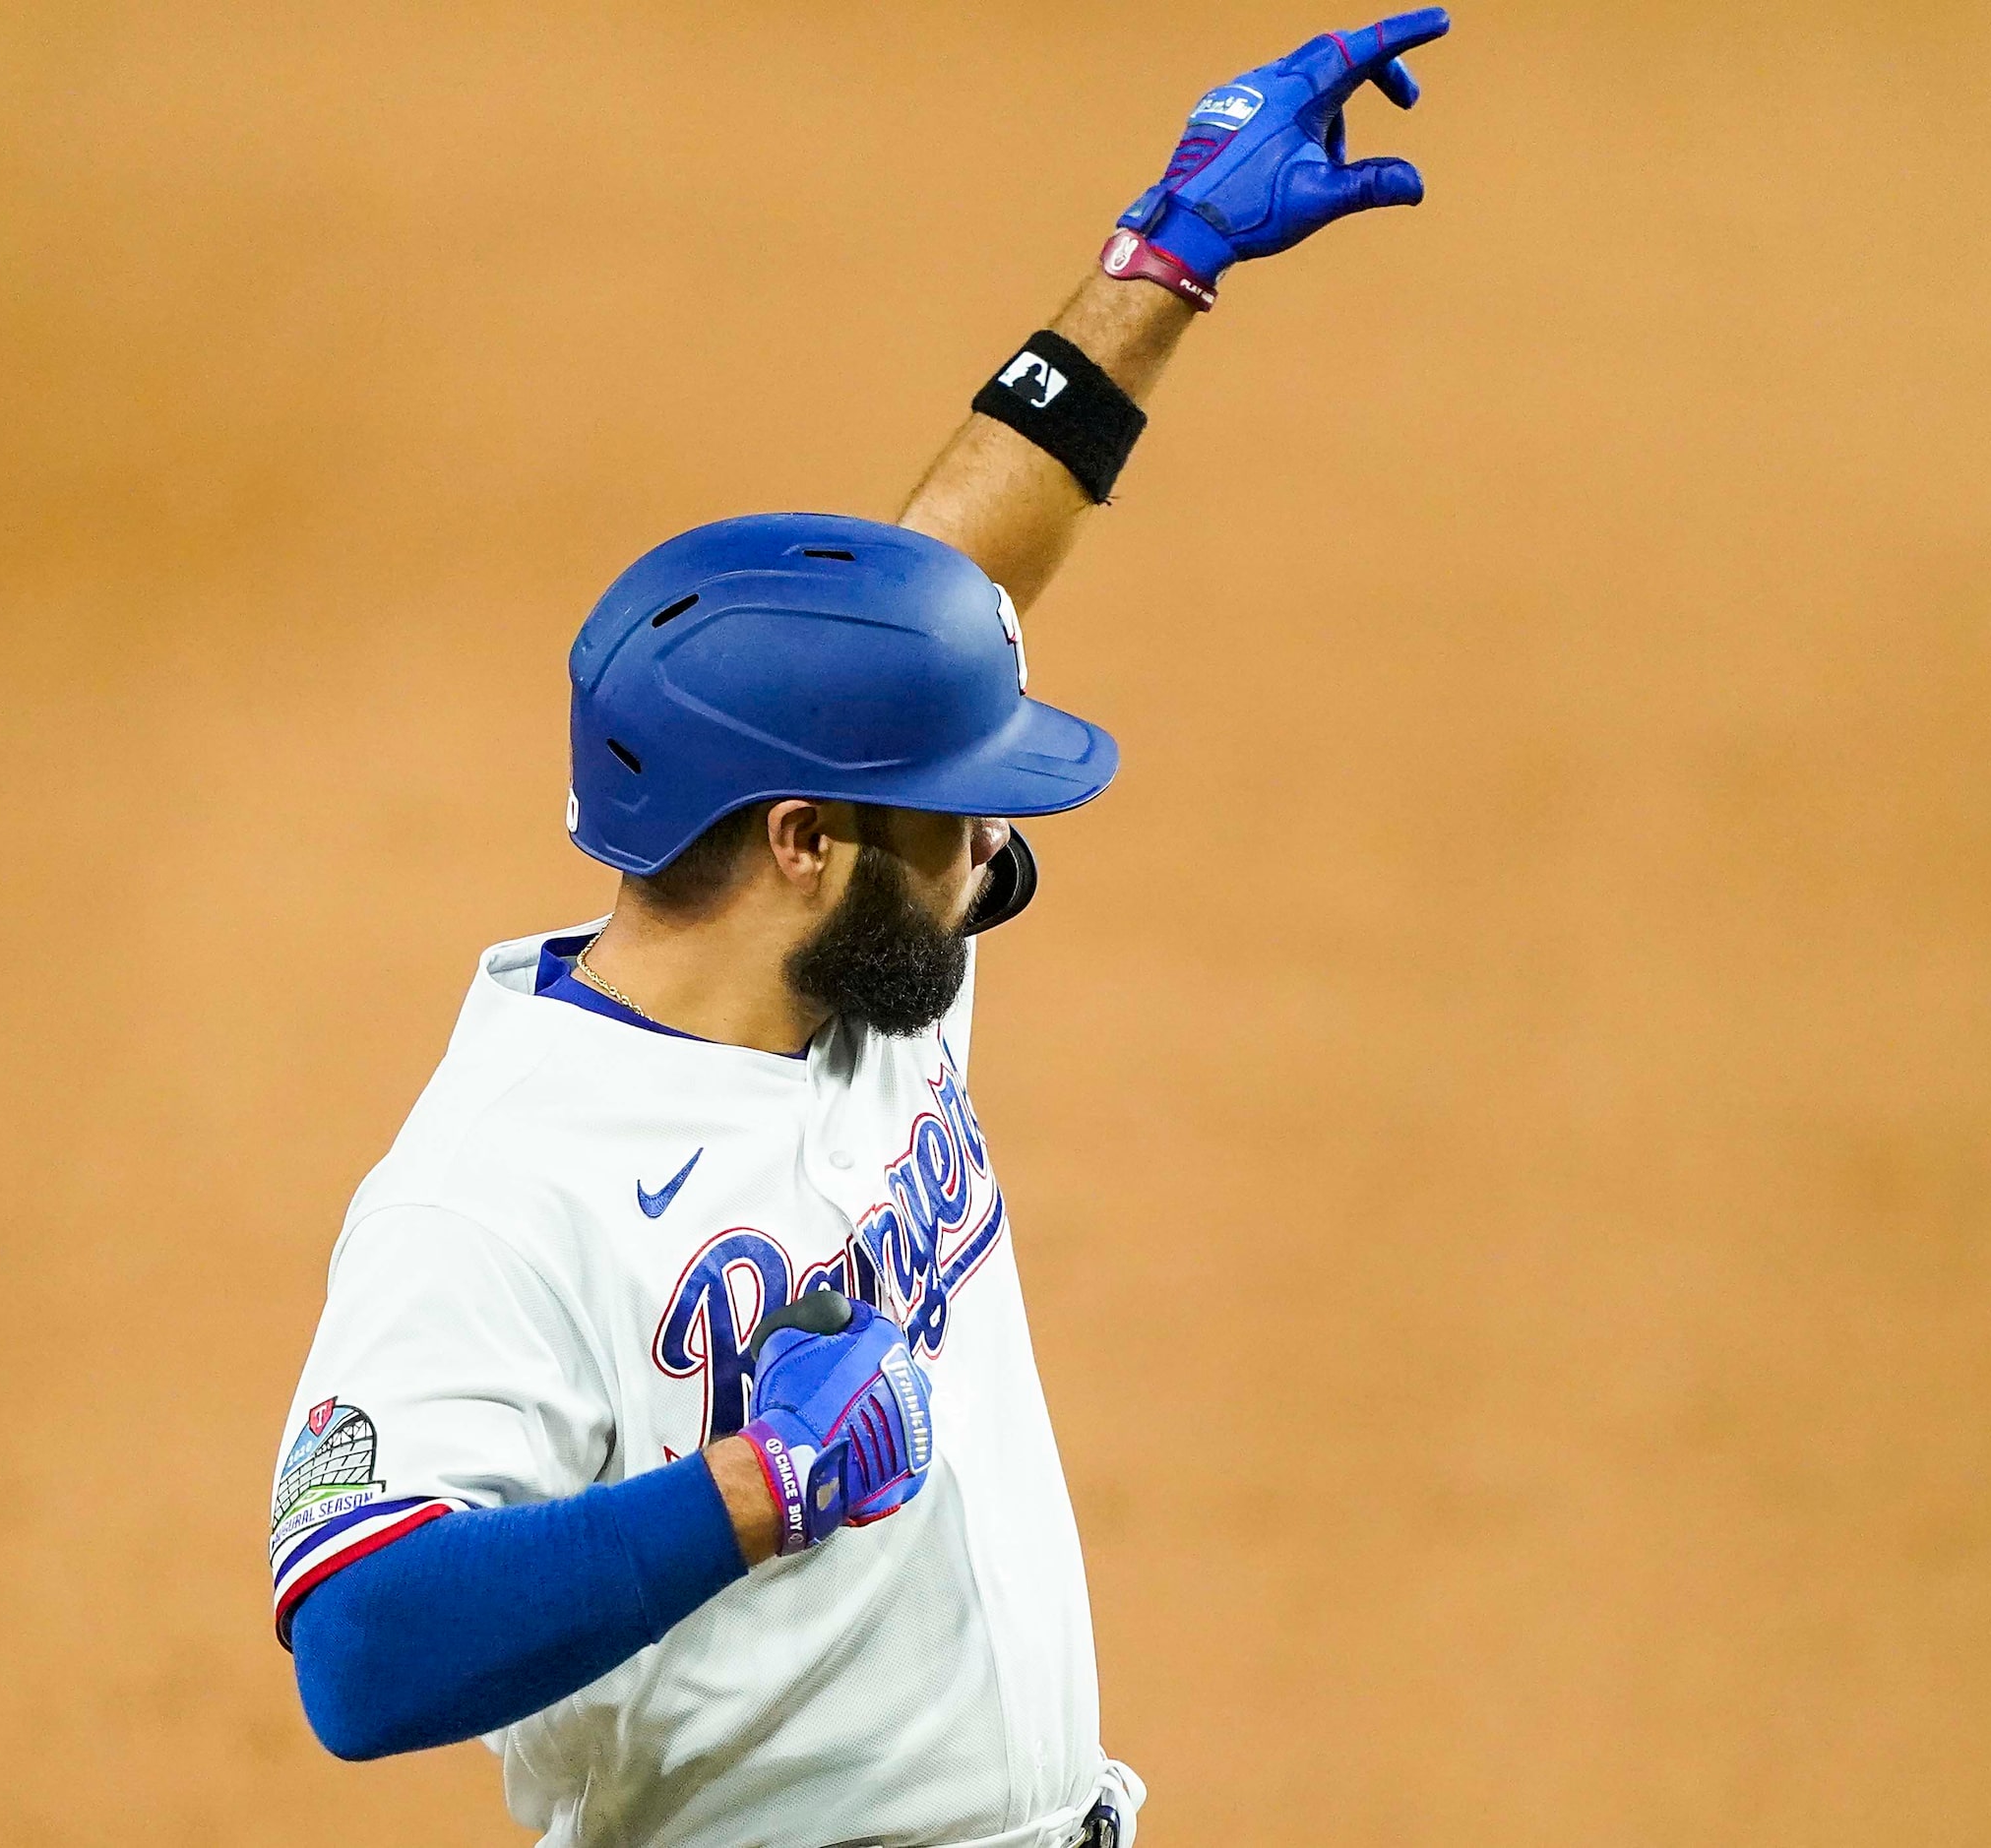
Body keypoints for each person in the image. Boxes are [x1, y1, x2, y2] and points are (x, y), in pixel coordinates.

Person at [268, 17, 1453, 1847]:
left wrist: (1161, 262)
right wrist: (748, 1491)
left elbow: (939, 589)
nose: (999, 844)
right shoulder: (497, 1188)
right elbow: (358, 1647)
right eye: (958, 808)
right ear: (803, 839)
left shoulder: (864, 968)